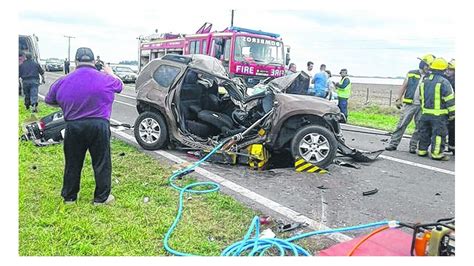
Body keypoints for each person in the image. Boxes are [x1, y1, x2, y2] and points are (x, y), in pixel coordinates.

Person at [45, 47, 123, 205]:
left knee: (73, 162)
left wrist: (68, 106)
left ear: (75, 62)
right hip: (99, 124)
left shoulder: (63, 80)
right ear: (94, 62)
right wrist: (110, 72)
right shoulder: (106, 79)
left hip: (74, 125)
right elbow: (120, 86)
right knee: (102, 162)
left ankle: (70, 197)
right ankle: (101, 198)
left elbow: (49, 100)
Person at [385, 54, 435, 152]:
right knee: (402, 124)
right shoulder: (411, 73)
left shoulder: (430, 77)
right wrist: (398, 98)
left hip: (422, 106)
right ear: (422, 64)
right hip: (409, 104)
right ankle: (393, 144)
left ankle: (413, 146)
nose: (428, 68)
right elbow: (404, 86)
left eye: (430, 66)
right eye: (427, 66)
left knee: (419, 127)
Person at [417, 57, 454, 160]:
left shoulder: (425, 81)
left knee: (424, 133)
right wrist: (452, 114)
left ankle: (422, 151)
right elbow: (450, 100)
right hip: (439, 116)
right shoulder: (444, 82)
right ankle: (437, 154)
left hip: (425, 114)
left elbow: (421, 98)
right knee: (438, 135)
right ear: (443, 69)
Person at [446, 59, 455, 154]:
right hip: (451, 109)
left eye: (450, 69)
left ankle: (452, 147)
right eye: (447, 69)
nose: (447, 71)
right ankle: (451, 147)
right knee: (451, 129)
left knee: (453, 129)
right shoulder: (447, 80)